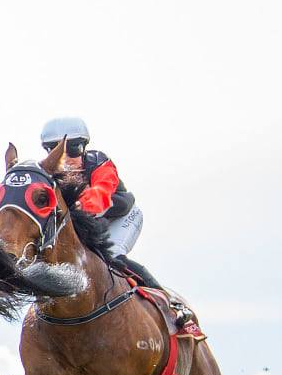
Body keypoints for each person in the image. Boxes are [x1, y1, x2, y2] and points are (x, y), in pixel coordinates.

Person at [37, 117, 191, 321]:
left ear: (84, 147)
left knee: (115, 256)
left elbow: (102, 191)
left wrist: (81, 205)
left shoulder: (99, 162)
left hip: (120, 219)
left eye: (73, 148)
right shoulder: (45, 173)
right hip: (89, 225)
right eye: (54, 149)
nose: (65, 157)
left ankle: (170, 305)